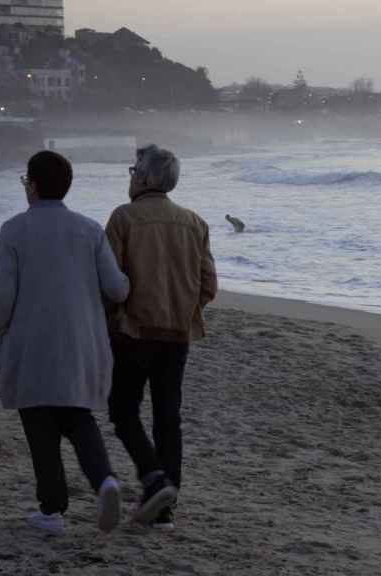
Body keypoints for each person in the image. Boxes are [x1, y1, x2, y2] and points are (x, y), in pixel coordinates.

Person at [0, 151, 130, 535]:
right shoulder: (89, 230)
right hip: (81, 339)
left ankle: (52, 511)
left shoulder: (14, 230)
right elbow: (117, 289)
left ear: (33, 185)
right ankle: (105, 480)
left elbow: (4, 296)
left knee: (38, 421)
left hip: (31, 339)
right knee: (77, 416)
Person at [105, 144, 217, 529]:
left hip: (133, 331)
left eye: (133, 170)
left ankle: (154, 480)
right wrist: (185, 311)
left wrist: (113, 318)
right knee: (168, 418)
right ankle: (165, 509)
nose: (131, 176)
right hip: (177, 335)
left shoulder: (123, 218)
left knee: (123, 411)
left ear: (145, 177)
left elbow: (110, 282)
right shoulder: (195, 223)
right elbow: (208, 285)